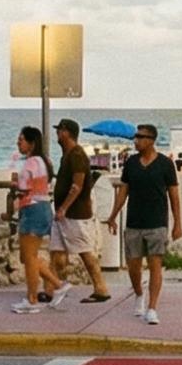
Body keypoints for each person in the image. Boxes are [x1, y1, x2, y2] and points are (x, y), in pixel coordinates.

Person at [104, 122, 182, 326]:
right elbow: (123, 191)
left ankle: (152, 308)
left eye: (140, 137)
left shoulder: (165, 164)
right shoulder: (131, 163)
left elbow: (174, 195)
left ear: (151, 140)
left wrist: (177, 223)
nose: (136, 140)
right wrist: (113, 215)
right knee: (133, 266)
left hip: (157, 222)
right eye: (135, 137)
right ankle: (139, 293)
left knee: (155, 266)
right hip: (134, 222)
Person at [49, 118, 112, 305]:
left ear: (67, 132)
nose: (57, 134)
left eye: (59, 130)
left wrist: (64, 207)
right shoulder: (66, 155)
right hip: (63, 214)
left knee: (85, 252)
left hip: (75, 214)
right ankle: (52, 288)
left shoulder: (77, 155)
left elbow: (77, 185)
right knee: (56, 252)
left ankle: (101, 288)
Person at [8, 125, 62, 314]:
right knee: (27, 256)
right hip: (42, 208)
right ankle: (58, 285)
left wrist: (15, 185)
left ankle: (32, 299)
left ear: (31, 143)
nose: (18, 143)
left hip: (32, 209)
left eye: (21, 139)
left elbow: (24, 190)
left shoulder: (31, 163)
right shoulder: (44, 161)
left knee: (29, 257)